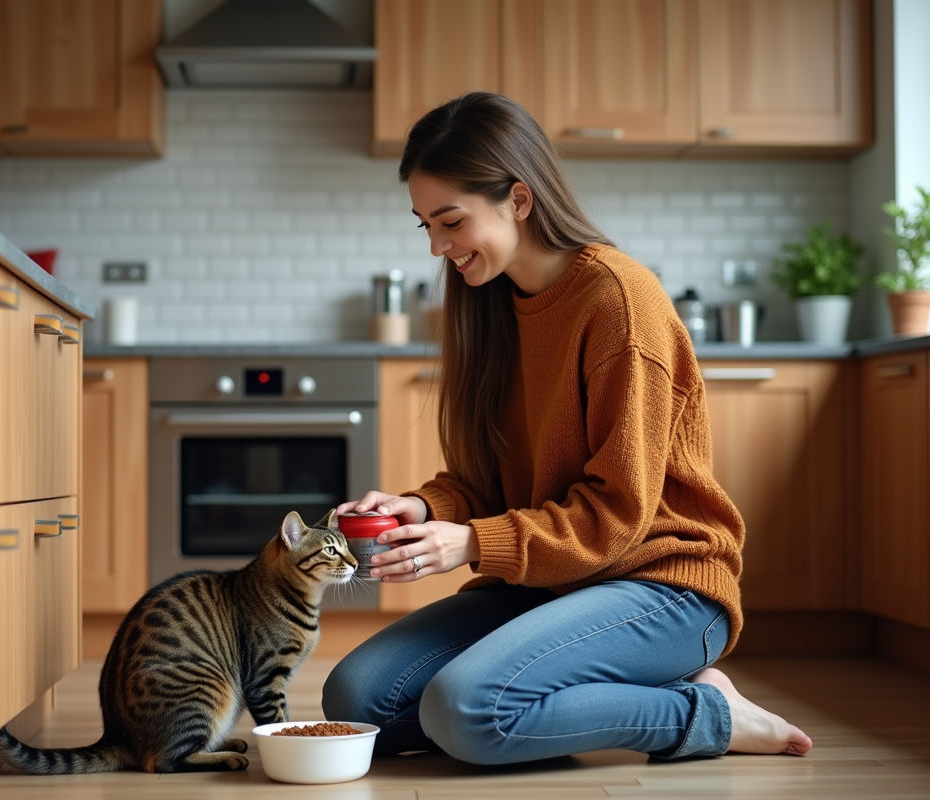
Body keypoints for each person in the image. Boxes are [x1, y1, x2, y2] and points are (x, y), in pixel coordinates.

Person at [322, 92, 812, 765]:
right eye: (424, 226)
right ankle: (580, 687)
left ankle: (706, 711)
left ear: (518, 200)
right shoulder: (489, 306)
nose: (437, 246)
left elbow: (617, 515)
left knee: (464, 709)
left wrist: (468, 542)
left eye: (451, 221)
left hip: (662, 587)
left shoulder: (617, 301)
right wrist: (424, 507)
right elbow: (489, 479)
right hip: (550, 584)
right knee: (355, 699)